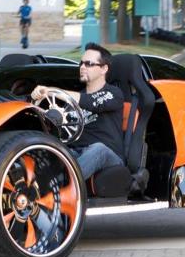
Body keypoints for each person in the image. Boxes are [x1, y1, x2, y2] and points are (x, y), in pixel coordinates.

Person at [31, 42, 125, 180]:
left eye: (89, 64)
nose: (82, 67)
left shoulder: (114, 93)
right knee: (49, 149)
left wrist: (50, 91)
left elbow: (91, 102)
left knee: (98, 149)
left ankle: (61, 184)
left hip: (110, 156)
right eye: (81, 63)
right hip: (78, 152)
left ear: (104, 69)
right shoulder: (74, 99)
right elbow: (64, 132)